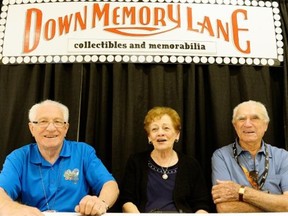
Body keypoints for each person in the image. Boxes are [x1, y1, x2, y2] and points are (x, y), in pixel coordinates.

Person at [0, 99, 119, 216]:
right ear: (32, 128)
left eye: (57, 122)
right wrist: (10, 207)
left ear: (66, 128)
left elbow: (109, 184)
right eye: (43, 121)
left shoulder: (83, 152)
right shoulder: (18, 158)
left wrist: (101, 203)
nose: (51, 128)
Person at [118, 106, 210, 213]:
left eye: (166, 128)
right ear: (149, 136)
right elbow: (126, 200)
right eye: (154, 129)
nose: (160, 133)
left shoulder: (191, 165)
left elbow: (202, 205)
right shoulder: (136, 162)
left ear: (177, 135)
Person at [211, 100, 288, 212]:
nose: (247, 124)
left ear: (265, 125)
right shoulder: (221, 156)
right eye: (241, 119)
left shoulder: (283, 157)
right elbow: (225, 208)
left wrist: (240, 191)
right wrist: (273, 204)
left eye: (255, 118)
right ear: (235, 126)